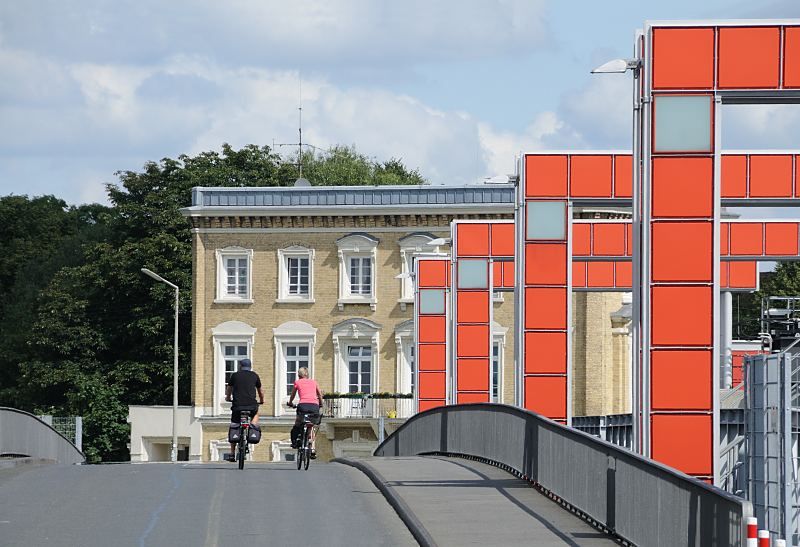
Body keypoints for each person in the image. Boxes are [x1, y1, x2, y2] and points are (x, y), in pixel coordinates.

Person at [225, 358, 264, 462]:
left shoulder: (235, 375)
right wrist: (262, 400)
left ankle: (232, 453)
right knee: (256, 414)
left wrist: (228, 398)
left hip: (237, 407)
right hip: (251, 406)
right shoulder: (254, 375)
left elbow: (229, 389)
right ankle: (252, 426)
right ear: (250, 367)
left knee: (234, 425)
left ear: (240, 366)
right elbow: (260, 391)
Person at [288, 367, 323, 457]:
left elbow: (293, 394)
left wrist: (290, 403)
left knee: (297, 423)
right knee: (311, 426)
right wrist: (321, 404)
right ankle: (312, 449)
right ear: (307, 374)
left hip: (303, 406)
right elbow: (319, 394)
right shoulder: (313, 382)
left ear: (299, 375)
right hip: (314, 406)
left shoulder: (297, 382)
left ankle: (294, 442)